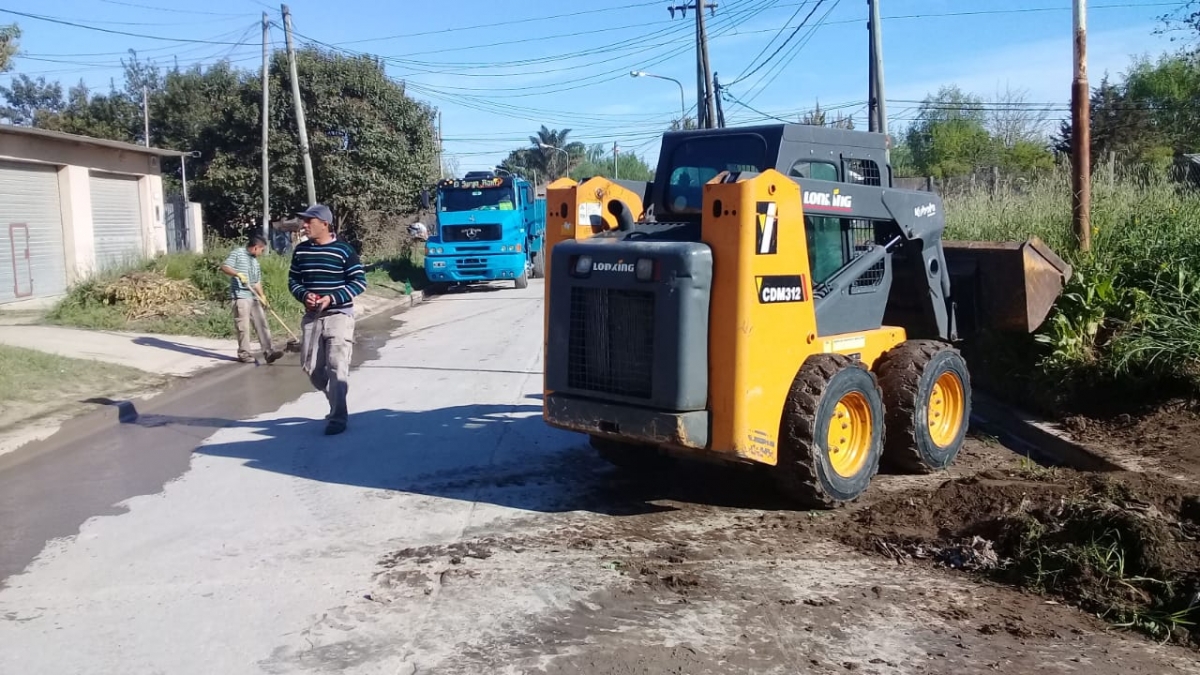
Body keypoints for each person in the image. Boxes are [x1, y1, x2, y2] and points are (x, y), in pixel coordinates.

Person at [288, 204, 367, 435]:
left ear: (324, 223)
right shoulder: (301, 251)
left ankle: (338, 418)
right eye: (304, 221)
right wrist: (305, 295)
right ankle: (335, 402)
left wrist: (331, 298)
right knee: (310, 367)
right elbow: (293, 281)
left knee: (336, 366)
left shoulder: (344, 250)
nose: (304, 226)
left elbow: (359, 282)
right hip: (312, 317)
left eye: (308, 222)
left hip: (339, 315)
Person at [219, 234, 283, 365]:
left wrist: (262, 296)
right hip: (241, 296)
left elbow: (257, 282)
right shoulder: (238, 253)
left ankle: (269, 352)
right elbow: (224, 267)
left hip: (254, 297)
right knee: (243, 327)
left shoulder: (255, 262)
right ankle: (244, 354)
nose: (262, 252)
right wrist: (237, 274)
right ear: (255, 248)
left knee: (262, 324)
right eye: (262, 250)